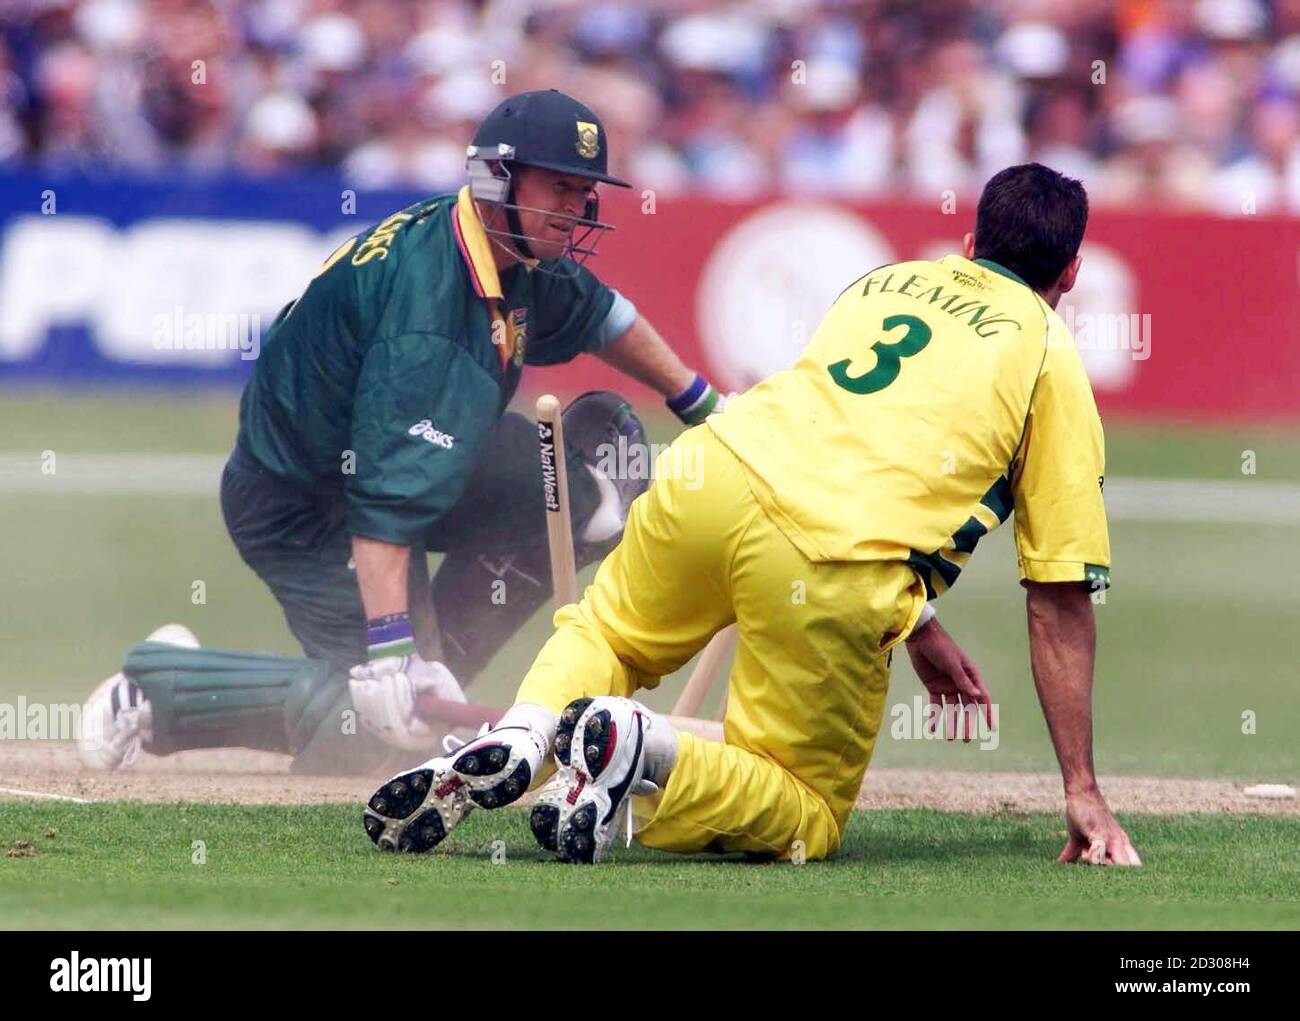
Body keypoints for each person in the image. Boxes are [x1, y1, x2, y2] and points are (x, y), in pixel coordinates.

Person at [362, 162, 1143, 868]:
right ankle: (638, 749)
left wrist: (918, 625)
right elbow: (1060, 598)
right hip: (833, 557)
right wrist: (1081, 786)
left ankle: (526, 733)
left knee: (604, 635)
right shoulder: (1050, 355)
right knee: (807, 809)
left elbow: (851, 432)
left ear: (969, 240)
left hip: (714, 469)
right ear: (1071, 274)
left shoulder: (885, 283)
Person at [76, 90, 727, 776]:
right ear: (496, 180)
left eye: (583, 191)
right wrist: (391, 651)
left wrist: (702, 402)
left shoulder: (506, 248)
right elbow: (383, 496)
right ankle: (162, 688)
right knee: (382, 728)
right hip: (309, 505)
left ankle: (429, 675)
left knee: (599, 470)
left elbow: (602, 315)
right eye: (559, 188)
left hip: (408, 458)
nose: (577, 208)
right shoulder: (429, 317)